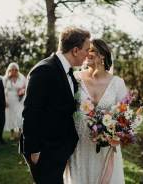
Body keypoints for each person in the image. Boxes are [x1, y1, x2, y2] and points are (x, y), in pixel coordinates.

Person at [20, 27, 91, 184]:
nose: (88, 55)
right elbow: (31, 113)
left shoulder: (69, 73)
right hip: (44, 150)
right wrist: (34, 151)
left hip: (59, 149)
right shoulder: (44, 70)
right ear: (75, 50)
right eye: (86, 50)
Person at [64, 39, 126, 184]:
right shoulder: (75, 79)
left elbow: (124, 118)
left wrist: (114, 132)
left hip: (106, 148)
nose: (86, 53)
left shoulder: (117, 83)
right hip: (79, 145)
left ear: (102, 55)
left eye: (90, 50)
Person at [3, 62, 26, 140]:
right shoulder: (5, 79)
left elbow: (25, 87)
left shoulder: (22, 77)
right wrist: (5, 100)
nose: (14, 71)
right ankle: (12, 134)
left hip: (19, 100)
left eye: (16, 70)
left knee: (19, 116)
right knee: (11, 116)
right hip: (9, 100)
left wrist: (22, 92)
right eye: (12, 69)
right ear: (9, 70)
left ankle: (20, 133)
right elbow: (2, 90)